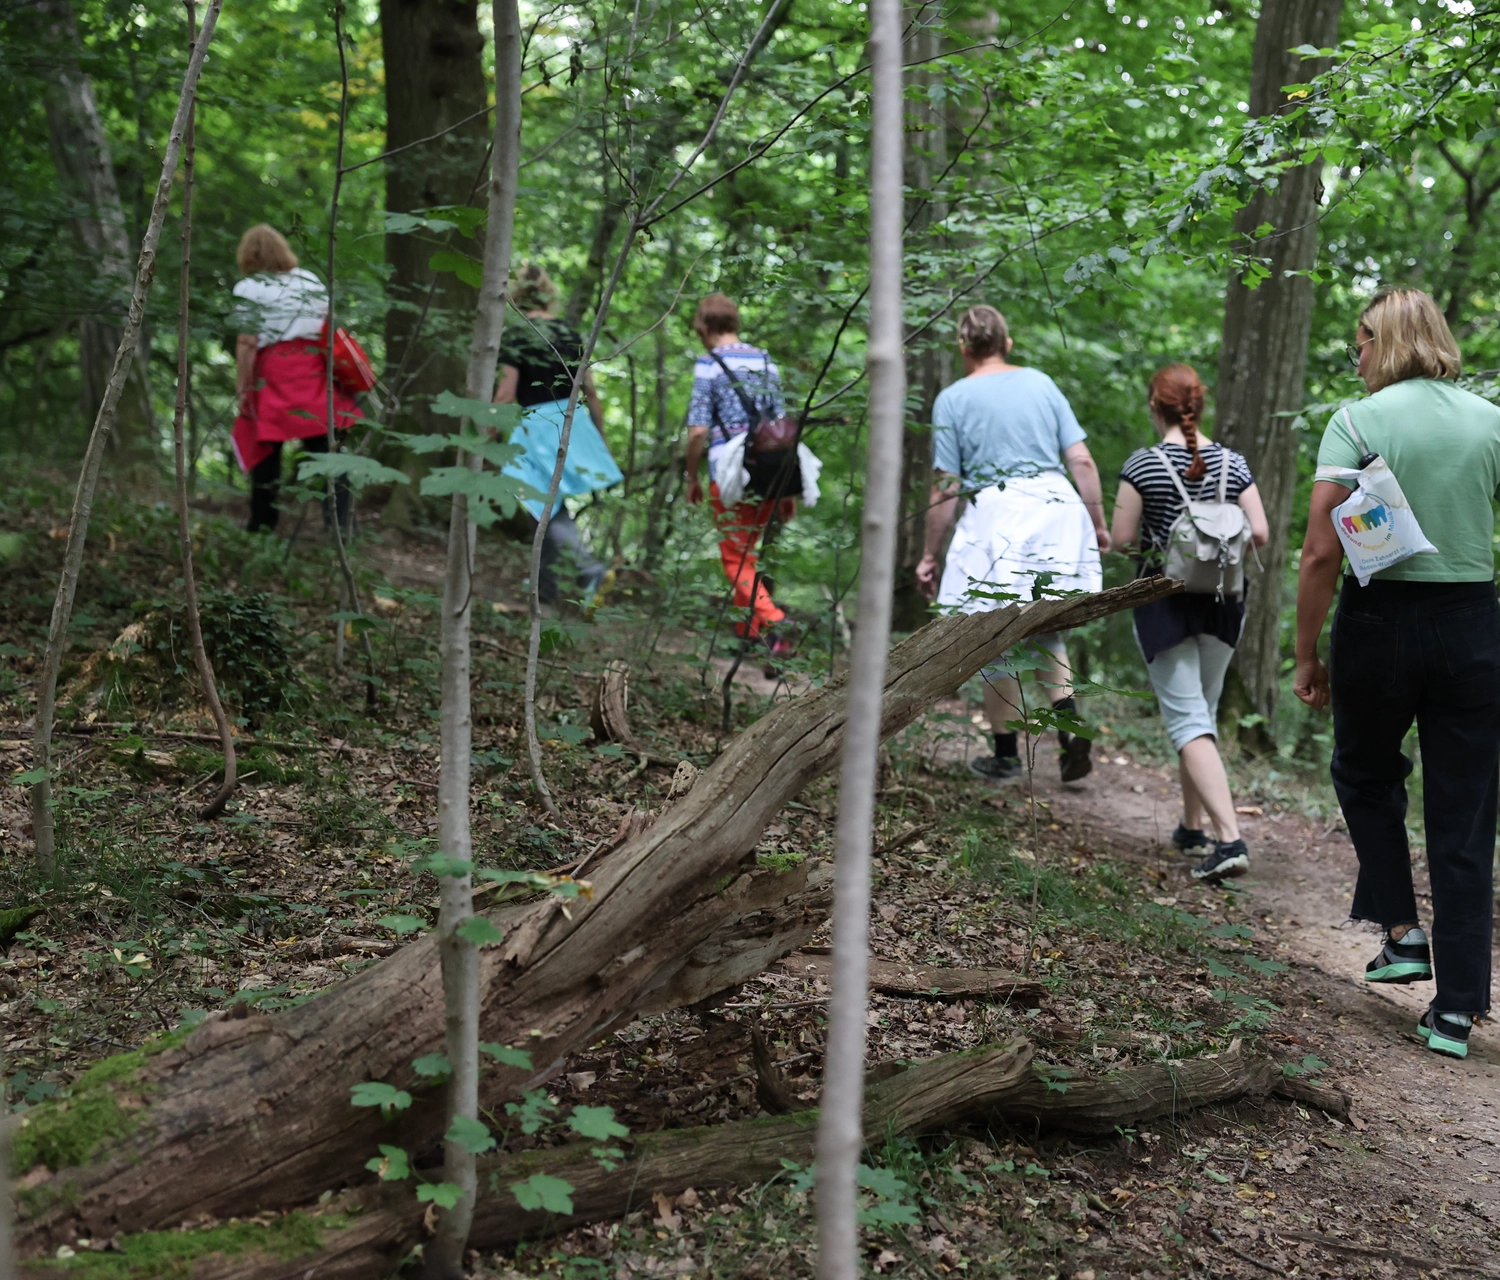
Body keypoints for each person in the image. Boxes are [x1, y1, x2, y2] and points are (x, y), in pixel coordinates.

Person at [1294, 287, 1500, 1061]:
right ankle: (1454, 1013)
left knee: (1363, 771)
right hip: (1474, 624)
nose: (1358, 355)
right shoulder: (1491, 422)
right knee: (1465, 816)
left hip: (1379, 622)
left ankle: (1403, 931)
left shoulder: (1356, 421)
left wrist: (1306, 651)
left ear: (1384, 341)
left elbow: (1319, 551)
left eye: (1361, 341)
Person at [915, 304, 1109, 784]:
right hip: (1055, 507)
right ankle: (1069, 729)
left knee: (992, 631)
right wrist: (1098, 523)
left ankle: (1004, 756)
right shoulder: (1042, 383)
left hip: (997, 514)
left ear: (965, 349)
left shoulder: (954, 398)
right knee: (1046, 628)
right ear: (1008, 343)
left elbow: (945, 486)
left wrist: (928, 554)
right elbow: (1081, 461)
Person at [1111, 364, 1269, 884]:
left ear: (1153, 405)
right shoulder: (1233, 463)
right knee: (1201, 712)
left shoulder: (1144, 465)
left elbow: (1122, 540)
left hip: (1165, 601)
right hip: (1225, 601)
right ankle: (1191, 826)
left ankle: (1229, 840)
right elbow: (1261, 533)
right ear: (1198, 405)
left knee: (1186, 720)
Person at [494, 263, 622, 605]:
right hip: (574, 420)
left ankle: (591, 572)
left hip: (538, 428)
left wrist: (484, 434)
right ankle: (544, 593)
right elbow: (591, 391)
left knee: (542, 503)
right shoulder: (569, 333)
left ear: (519, 297)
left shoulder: (518, 335)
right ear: (549, 295)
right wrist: (600, 439)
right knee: (549, 506)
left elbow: (505, 394)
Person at [684, 293, 796, 651]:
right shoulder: (766, 361)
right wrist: (787, 490)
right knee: (747, 553)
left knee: (736, 559)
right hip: (767, 472)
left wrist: (692, 477)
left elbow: (698, 430)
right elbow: (781, 429)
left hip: (729, 474)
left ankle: (776, 620)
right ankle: (753, 638)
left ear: (703, 325)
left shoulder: (708, 364)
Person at [230, 224, 359, 533]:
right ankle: (342, 527)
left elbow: (247, 342)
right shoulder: (309, 280)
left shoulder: (250, 288)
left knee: (267, 448)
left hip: (274, 368)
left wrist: (243, 387)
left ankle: (262, 525)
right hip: (313, 368)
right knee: (327, 449)